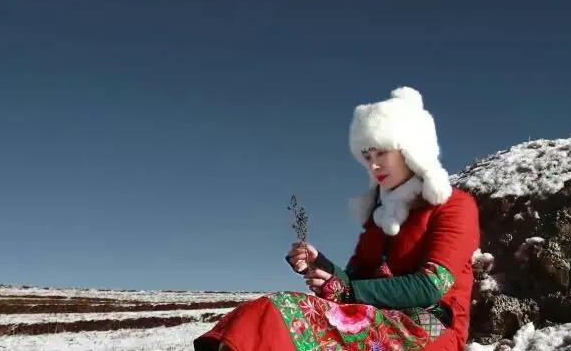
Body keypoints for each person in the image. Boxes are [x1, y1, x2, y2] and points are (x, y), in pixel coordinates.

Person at [194, 86, 480, 351]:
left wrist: (345, 290)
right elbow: (354, 280)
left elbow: (431, 286)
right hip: (375, 317)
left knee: (284, 315)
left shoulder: (454, 207)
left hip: (427, 328)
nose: (374, 166)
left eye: (382, 153)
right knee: (265, 311)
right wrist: (320, 263)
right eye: (367, 156)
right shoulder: (379, 220)